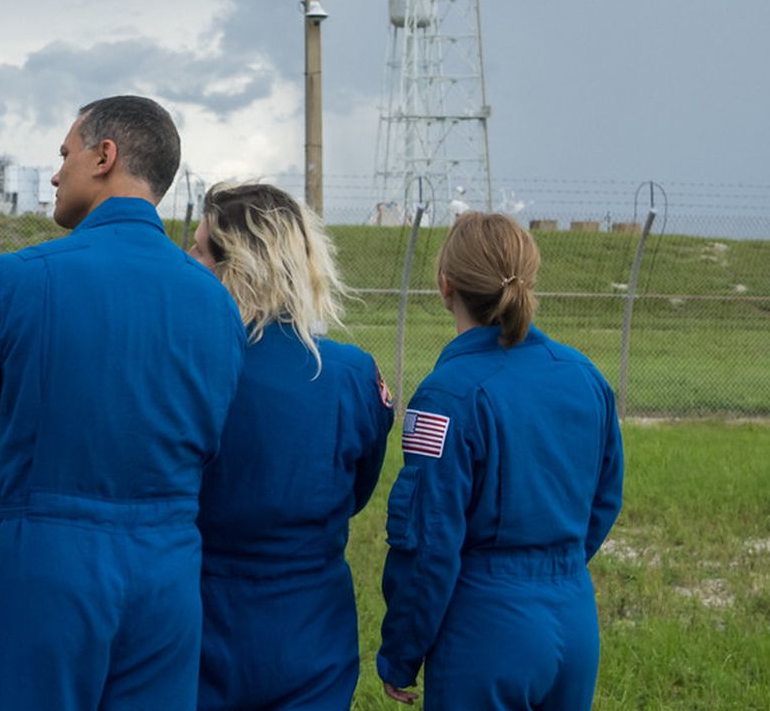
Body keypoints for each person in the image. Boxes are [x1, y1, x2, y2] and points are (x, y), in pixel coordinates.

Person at [0, 95, 247, 711]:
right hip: (170, 566)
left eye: (65, 153)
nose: (54, 172)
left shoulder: (22, 277)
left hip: (49, 556)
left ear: (105, 156)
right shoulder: (214, 301)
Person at [378, 212, 624, 708]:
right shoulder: (585, 377)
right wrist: (556, 568)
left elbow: (429, 542)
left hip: (487, 625)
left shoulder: (447, 395)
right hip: (574, 618)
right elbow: (605, 498)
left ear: (447, 287)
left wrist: (402, 652)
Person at [187, 182, 394, 710]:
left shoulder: (190, 366)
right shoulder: (352, 375)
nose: (187, 259)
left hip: (200, 617)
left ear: (234, 266)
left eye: (199, 248)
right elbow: (358, 489)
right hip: (311, 627)